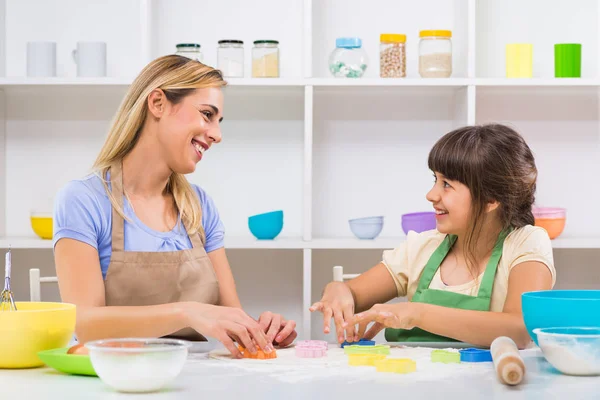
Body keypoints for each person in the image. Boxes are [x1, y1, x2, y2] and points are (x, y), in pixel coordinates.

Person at [53, 55, 296, 358]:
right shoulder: (84, 201)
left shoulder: (199, 206)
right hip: (116, 380)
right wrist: (186, 312)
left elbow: (231, 316)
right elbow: (85, 324)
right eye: (207, 114)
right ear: (157, 103)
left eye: (219, 122)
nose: (217, 135)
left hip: (195, 381)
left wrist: (262, 331)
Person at [310, 124, 555, 349]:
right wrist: (337, 290)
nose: (431, 194)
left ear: (491, 199)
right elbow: (351, 294)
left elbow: (520, 330)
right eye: (434, 180)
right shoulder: (421, 247)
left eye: (447, 184)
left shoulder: (526, 244)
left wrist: (417, 314)